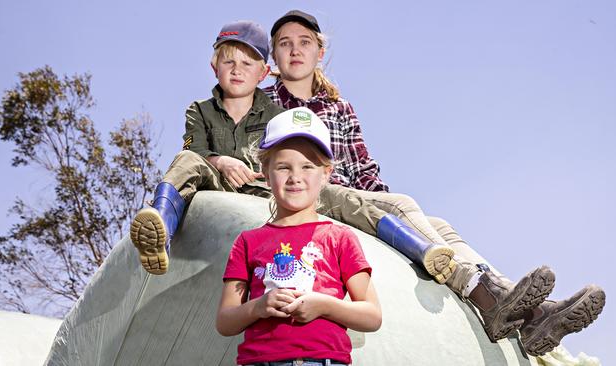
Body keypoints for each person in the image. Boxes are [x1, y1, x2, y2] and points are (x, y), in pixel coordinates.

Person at [263, 9, 606, 356]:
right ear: (273, 55)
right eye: (285, 44)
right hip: (312, 192)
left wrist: (384, 202)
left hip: (353, 194)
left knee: (436, 224)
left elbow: (363, 165)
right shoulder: (266, 105)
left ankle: (528, 309)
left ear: (319, 52)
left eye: (304, 43)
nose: (295, 51)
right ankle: (488, 295)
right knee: (402, 207)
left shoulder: (338, 107)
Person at [130, 19, 455, 285]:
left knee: (343, 199)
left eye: (247, 63)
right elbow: (194, 148)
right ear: (214, 66)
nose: (237, 70)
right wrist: (221, 161)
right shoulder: (200, 110)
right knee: (185, 161)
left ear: (262, 72)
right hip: (219, 181)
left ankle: (420, 248)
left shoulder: (274, 111)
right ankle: (160, 226)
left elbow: (294, 153)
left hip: (269, 186)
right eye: (228, 61)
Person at [216, 107, 381, 365]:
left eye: (307, 166)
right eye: (283, 167)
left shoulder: (339, 237)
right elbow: (225, 321)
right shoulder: (247, 242)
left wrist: (324, 305)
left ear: (326, 174)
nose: (295, 178)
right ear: (266, 172)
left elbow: (372, 315)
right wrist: (258, 306)